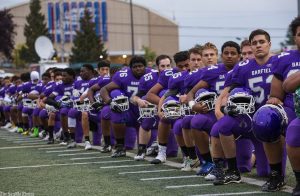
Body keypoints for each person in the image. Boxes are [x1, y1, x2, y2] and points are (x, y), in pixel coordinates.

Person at [213, 29, 275, 186]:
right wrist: (220, 105)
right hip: (248, 117)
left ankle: (260, 159)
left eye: (261, 42)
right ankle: (233, 171)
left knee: (265, 173)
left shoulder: (279, 61)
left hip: (272, 118)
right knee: (224, 124)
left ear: (269, 44)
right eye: (255, 43)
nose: (258, 46)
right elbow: (230, 88)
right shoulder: (243, 67)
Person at [100, 56, 149, 157]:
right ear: (130, 68)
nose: (138, 69)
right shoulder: (123, 76)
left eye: (140, 66)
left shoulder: (152, 75)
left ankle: (157, 145)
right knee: (116, 97)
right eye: (135, 67)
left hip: (146, 111)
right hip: (128, 111)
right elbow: (104, 89)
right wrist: (110, 102)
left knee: (170, 152)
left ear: (145, 67)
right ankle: (120, 146)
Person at [274, 16, 300, 195]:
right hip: (294, 109)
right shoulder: (285, 58)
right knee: (291, 131)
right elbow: (285, 87)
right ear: (295, 37)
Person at [133, 54, 172, 160]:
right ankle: (141, 149)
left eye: (168, 66)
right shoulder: (148, 78)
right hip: (154, 110)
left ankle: (157, 144)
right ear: (157, 67)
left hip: (173, 109)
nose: (166, 69)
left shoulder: (176, 75)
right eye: (163, 66)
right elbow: (135, 97)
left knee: (172, 152)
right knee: (147, 119)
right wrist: (139, 100)